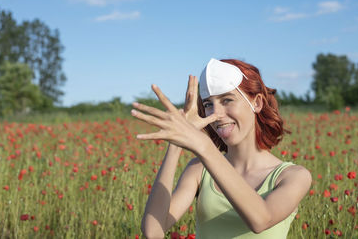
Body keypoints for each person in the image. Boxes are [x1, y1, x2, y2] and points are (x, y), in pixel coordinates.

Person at [131, 58, 312, 239]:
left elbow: (261, 220)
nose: (216, 114)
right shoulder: (198, 170)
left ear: (257, 103)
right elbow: (153, 232)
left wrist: (203, 145)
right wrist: (175, 143)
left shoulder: (293, 176)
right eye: (209, 104)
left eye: (227, 100)